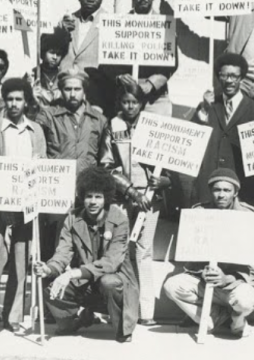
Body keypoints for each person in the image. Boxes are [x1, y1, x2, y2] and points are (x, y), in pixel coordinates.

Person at [34, 166, 139, 343]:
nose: (92, 201)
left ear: (106, 198)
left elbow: (111, 263)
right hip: (87, 282)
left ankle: (123, 326)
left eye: (98, 197)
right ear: (82, 196)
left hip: (114, 282)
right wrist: (48, 268)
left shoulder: (119, 219)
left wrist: (72, 273)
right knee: (50, 285)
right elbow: (63, 252)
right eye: (89, 196)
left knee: (109, 282)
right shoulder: (73, 219)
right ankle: (78, 319)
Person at [99, 81, 173, 326]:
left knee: (143, 251)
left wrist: (163, 180)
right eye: (125, 102)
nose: (130, 106)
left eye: (135, 102)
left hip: (150, 199)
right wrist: (131, 191)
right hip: (122, 198)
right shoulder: (113, 125)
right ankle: (116, 308)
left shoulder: (154, 126)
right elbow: (106, 165)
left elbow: (171, 164)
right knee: (116, 248)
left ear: (142, 103)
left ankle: (146, 311)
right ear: (119, 103)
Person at [164, 168, 254, 338]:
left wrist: (228, 278)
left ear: (235, 192)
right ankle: (214, 316)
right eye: (217, 190)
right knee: (171, 285)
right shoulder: (199, 212)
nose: (221, 195)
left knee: (245, 300)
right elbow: (189, 256)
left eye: (227, 190)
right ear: (210, 191)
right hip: (205, 282)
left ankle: (237, 322)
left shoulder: (252, 217)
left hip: (235, 285)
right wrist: (202, 271)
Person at [0, 78, 47, 333]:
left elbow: (42, 162)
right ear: (4, 101)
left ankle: (13, 317)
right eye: (10, 99)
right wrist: (2, 187)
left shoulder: (36, 130)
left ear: (26, 101)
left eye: (19, 99)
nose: (15, 104)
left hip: (26, 204)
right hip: (0, 200)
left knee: (22, 258)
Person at [36, 68, 108, 260]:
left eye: (77, 89)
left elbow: (104, 157)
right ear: (61, 90)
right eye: (68, 89)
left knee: (84, 245)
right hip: (56, 191)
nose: (73, 93)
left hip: (86, 191)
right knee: (55, 244)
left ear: (84, 91)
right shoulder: (48, 116)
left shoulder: (99, 120)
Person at [100, 0, 177, 118]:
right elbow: (106, 59)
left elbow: (172, 61)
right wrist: (118, 76)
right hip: (125, 96)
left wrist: (152, 84)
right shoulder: (118, 24)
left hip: (155, 98)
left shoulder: (165, 25)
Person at [192, 53, 254, 206]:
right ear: (218, 77)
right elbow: (193, 138)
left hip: (239, 184)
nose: (229, 81)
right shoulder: (208, 105)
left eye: (234, 76)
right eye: (224, 76)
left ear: (241, 78)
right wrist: (204, 109)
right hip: (210, 183)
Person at [57, 0, 111, 113]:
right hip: (67, 88)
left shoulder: (110, 22)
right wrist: (60, 32)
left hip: (94, 91)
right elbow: (55, 52)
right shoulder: (68, 20)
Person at [30, 32, 69, 108]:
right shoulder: (32, 74)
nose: (55, 57)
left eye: (58, 54)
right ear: (43, 53)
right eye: (51, 52)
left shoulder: (63, 76)